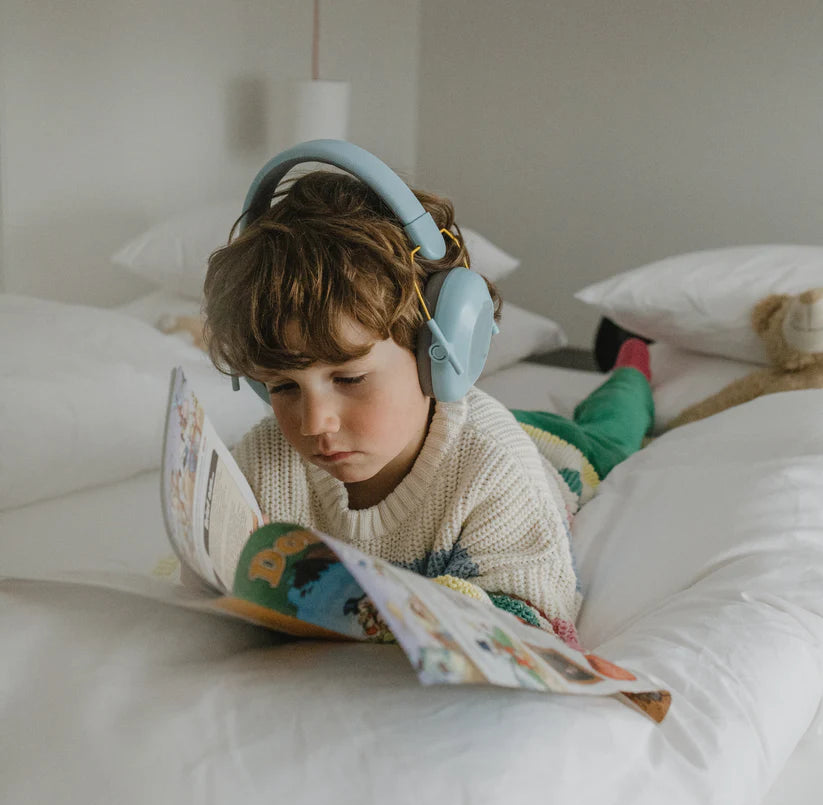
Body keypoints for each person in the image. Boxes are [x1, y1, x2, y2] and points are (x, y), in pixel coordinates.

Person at [202, 170, 653, 650]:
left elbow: (536, 616)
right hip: (448, 433)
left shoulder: (498, 468)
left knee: (613, 426)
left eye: (350, 379)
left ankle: (634, 368)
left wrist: (430, 608)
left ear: (434, 354)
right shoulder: (265, 459)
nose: (314, 423)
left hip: (555, 451)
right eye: (283, 387)